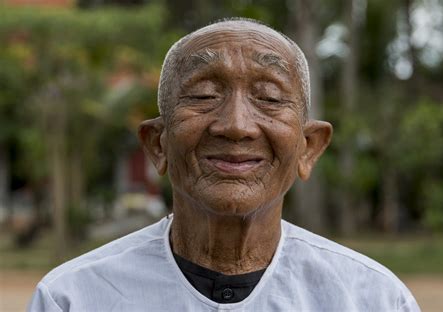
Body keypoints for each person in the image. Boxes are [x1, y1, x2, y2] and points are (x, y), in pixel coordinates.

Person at [29, 18, 420, 311]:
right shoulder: (73, 298)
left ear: (308, 148)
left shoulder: (371, 299)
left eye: (268, 97)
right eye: (203, 94)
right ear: (157, 144)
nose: (236, 125)